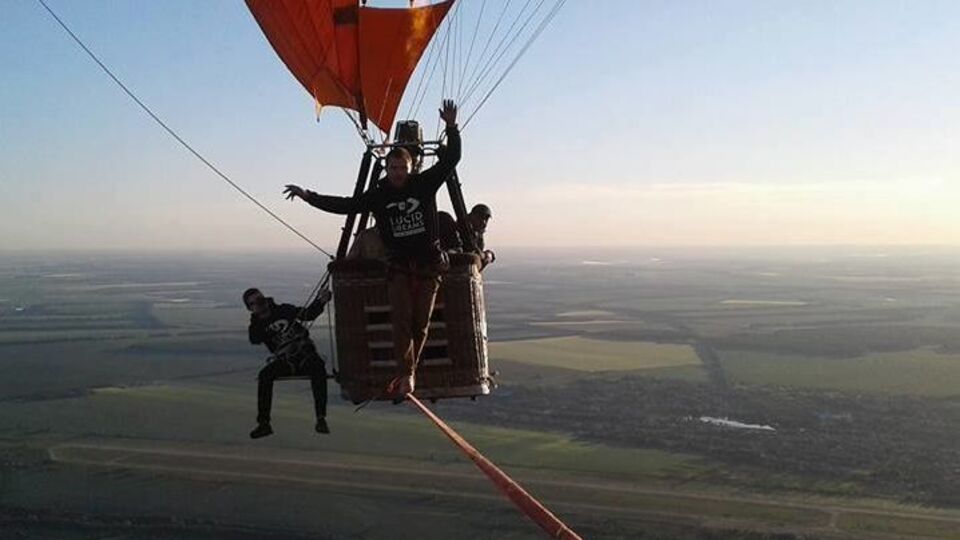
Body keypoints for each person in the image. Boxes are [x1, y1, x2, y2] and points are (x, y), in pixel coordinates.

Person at [284, 100, 461, 397]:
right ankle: (407, 376)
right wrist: (308, 196)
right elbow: (345, 205)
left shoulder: (425, 184)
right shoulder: (378, 195)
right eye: (393, 168)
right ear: (387, 168)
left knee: (421, 324)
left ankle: (409, 372)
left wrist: (452, 127)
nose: (397, 173)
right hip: (399, 268)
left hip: (429, 266)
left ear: (410, 166)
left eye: (402, 168)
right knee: (402, 321)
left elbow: (451, 159)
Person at [244, 287, 332, 439]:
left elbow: (308, 314)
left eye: (261, 299)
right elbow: (254, 338)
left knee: (317, 367)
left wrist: (320, 301)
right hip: (286, 362)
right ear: (250, 308)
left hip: (305, 356)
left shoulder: (284, 310)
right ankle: (264, 424)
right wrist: (258, 318)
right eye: (255, 303)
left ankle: (321, 418)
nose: (261, 303)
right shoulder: (257, 326)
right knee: (265, 375)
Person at [438, 204, 496, 269]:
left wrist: (487, 255)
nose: (484, 222)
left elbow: (479, 256)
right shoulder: (456, 229)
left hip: (461, 269)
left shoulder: (477, 237)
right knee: (474, 259)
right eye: (481, 217)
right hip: (448, 265)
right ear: (472, 216)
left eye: (486, 219)